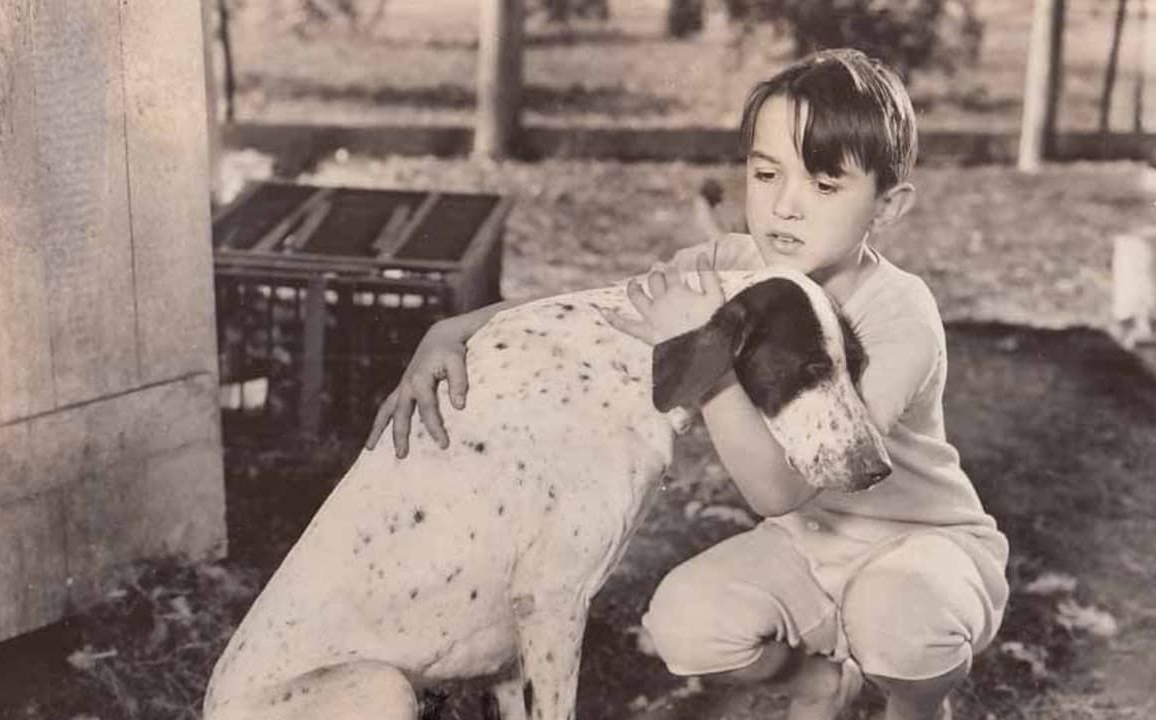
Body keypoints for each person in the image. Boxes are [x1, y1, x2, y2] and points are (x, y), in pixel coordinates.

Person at [364, 48, 1008, 720]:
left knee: (900, 629)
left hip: (924, 548)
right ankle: (814, 682)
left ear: (888, 205)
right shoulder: (734, 264)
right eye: (766, 173)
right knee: (683, 624)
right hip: (810, 550)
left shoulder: (900, 313)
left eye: (824, 185)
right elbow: (606, 314)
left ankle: (918, 707)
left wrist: (705, 354)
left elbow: (782, 490)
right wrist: (455, 331)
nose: (785, 206)